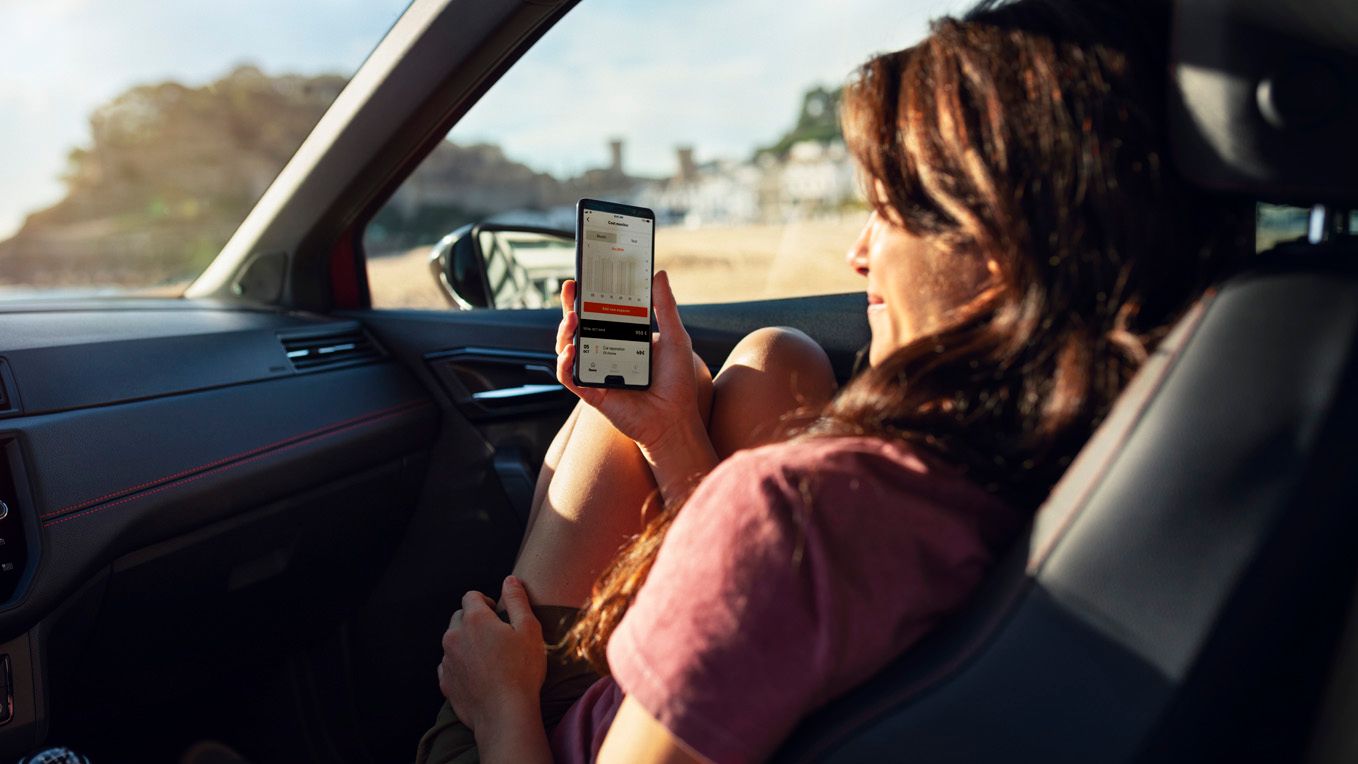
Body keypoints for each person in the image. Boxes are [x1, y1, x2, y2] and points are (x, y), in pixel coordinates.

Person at [418, 0, 1249, 761]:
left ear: (996, 260)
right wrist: (672, 432)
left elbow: (778, 558)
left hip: (532, 739)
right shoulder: (1104, 450)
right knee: (775, 358)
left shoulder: (791, 516)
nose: (858, 255)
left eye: (886, 211)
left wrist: (501, 705)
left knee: (612, 428)